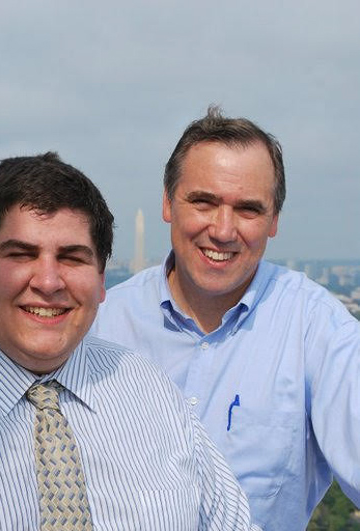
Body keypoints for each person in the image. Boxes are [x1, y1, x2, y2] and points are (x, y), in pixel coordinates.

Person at [0, 152, 258, 530]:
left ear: (102, 280)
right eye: (21, 254)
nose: (48, 282)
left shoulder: (150, 390)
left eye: (72, 258)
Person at [92, 107, 360, 530]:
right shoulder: (99, 324)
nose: (222, 229)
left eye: (248, 210)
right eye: (204, 201)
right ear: (167, 203)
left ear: (274, 221)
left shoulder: (316, 329)